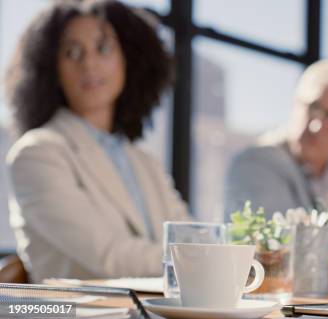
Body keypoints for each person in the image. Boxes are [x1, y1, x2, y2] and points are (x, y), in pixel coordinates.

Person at [4, 0, 191, 283]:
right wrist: (200, 260)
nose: (88, 63)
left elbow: (188, 233)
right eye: (72, 52)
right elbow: (109, 256)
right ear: (52, 69)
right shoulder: (37, 153)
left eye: (103, 48)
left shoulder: (144, 162)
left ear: (129, 58)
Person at [224, 60, 328, 221]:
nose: (317, 126)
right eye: (314, 108)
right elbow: (277, 243)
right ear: (295, 102)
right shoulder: (252, 165)